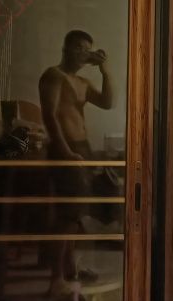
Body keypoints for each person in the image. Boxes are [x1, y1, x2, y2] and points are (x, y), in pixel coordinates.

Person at [38, 30, 113, 297]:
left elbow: (108, 103)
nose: (83, 53)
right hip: (66, 150)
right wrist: (65, 151)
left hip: (82, 149)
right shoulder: (53, 75)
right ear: (66, 49)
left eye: (87, 49)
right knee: (66, 216)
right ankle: (56, 279)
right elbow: (50, 116)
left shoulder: (82, 81)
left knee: (75, 215)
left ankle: (70, 270)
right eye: (79, 47)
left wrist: (105, 70)